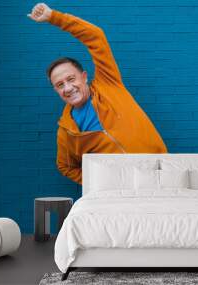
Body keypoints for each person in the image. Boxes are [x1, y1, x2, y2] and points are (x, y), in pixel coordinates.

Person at [28, 3, 167, 184]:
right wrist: (101, 182)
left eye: (71, 79)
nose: (68, 88)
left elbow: (95, 36)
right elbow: (65, 167)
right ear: (56, 90)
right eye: (60, 85)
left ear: (84, 76)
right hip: (120, 192)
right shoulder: (67, 130)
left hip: (160, 173)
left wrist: (54, 17)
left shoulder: (108, 84)